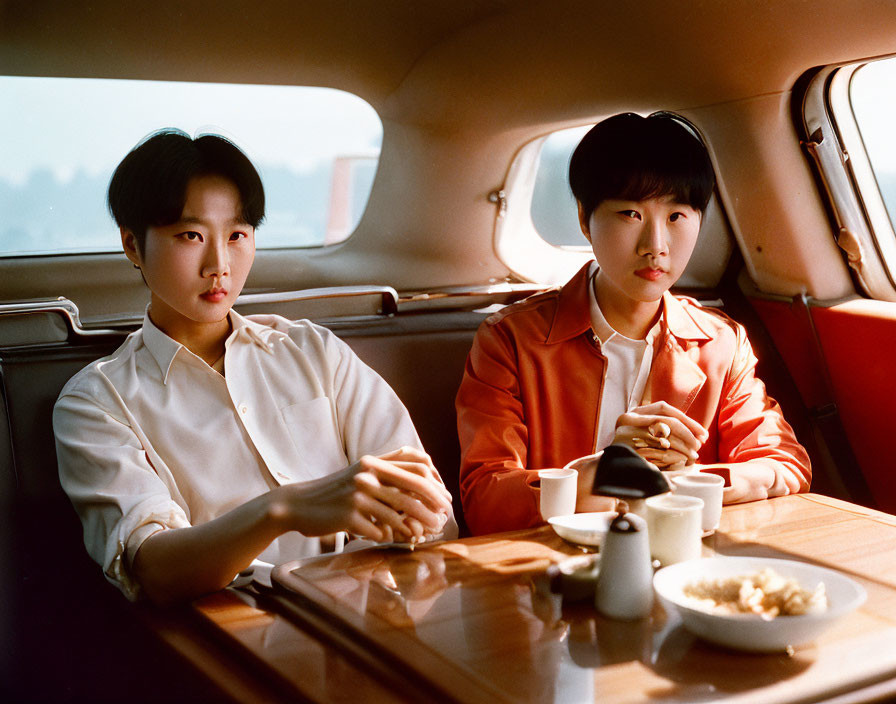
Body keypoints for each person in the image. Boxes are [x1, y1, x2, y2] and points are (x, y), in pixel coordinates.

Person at [54, 129, 456, 604]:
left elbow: (431, 510)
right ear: (132, 246)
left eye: (238, 235)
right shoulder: (97, 402)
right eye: (190, 235)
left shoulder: (313, 351)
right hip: (229, 627)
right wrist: (281, 510)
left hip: (368, 604)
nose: (219, 264)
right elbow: (151, 566)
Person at [456, 112, 811, 535]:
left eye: (677, 216)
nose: (656, 246)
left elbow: (784, 463)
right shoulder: (510, 339)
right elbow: (485, 499)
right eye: (630, 214)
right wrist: (602, 473)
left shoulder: (721, 343)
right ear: (586, 219)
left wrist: (687, 480)